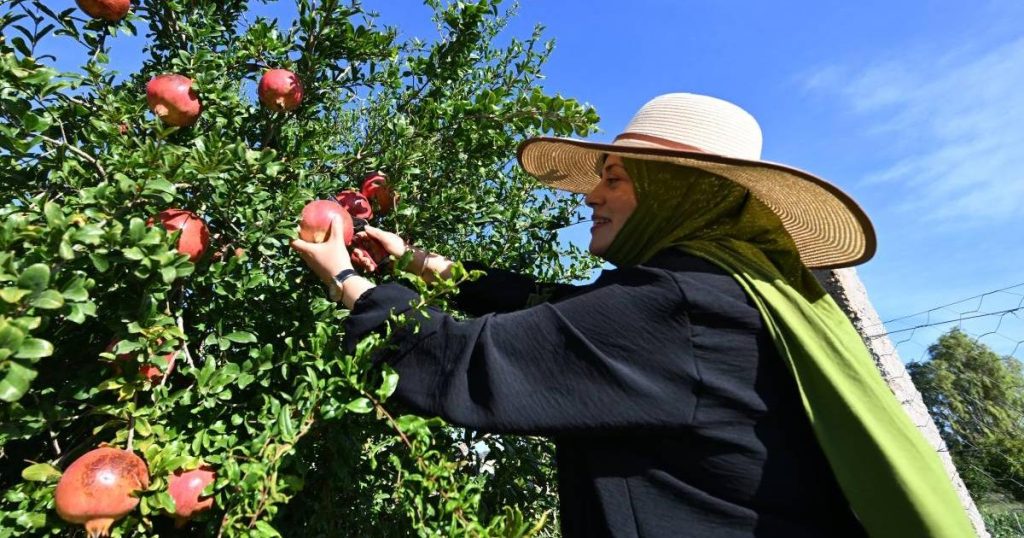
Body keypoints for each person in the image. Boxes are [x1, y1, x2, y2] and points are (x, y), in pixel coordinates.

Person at [291, 93, 975, 537]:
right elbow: (566, 309)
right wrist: (422, 265)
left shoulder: (681, 305)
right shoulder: (734, 289)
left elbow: (458, 361)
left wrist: (346, 278)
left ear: (675, 189)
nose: (592, 195)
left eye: (614, 177)